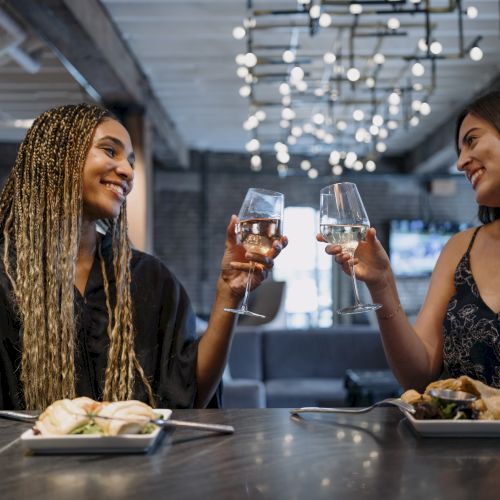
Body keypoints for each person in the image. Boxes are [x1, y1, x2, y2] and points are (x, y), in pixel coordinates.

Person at [0, 103, 287, 410]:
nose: (127, 170)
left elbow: (188, 396)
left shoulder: (148, 278)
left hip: (139, 458)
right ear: (58, 156)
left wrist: (229, 293)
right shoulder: (7, 277)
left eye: (131, 161)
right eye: (110, 151)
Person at [321, 90, 500, 391]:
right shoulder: (460, 249)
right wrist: (381, 284)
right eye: (459, 150)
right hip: (461, 439)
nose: (460, 163)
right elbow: (418, 376)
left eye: (471, 140)